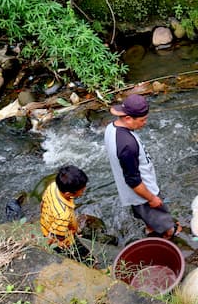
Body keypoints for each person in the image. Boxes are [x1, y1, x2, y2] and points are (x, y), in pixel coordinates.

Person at [104, 94, 180, 240]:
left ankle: (150, 231)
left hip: (132, 193)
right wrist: (151, 198)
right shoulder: (127, 145)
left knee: (147, 218)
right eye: (142, 120)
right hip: (142, 193)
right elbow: (133, 181)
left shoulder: (111, 128)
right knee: (169, 227)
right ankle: (166, 241)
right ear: (127, 118)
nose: (144, 123)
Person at [40, 165, 94, 265]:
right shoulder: (63, 215)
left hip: (47, 223)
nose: (84, 190)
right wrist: (69, 240)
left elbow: (42, 203)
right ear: (68, 194)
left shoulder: (54, 186)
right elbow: (57, 236)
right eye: (82, 190)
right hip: (63, 238)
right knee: (87, 258)